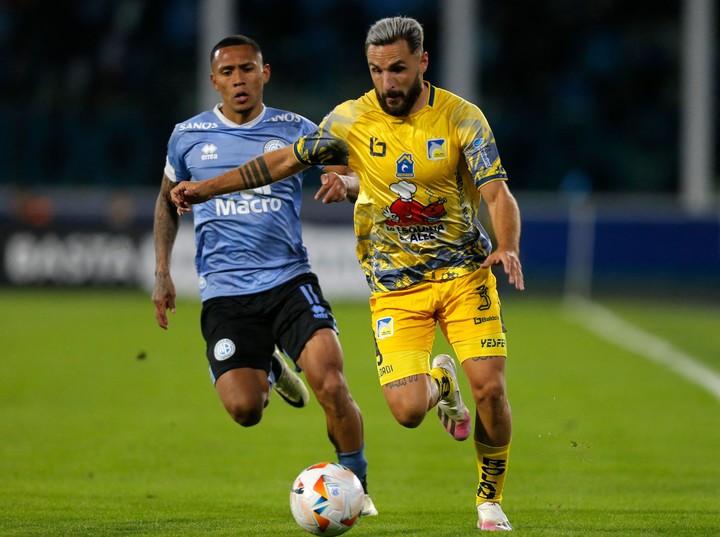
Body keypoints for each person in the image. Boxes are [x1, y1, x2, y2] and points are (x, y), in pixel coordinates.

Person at [171, 18, 523, 531]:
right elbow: (282, 162)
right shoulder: (349, 121)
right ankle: (440, 378)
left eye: (398, 69)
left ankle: (489, 500)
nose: (388, 82)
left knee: (489, 388)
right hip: (396, 288)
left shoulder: (462, 119)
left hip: (465, 274)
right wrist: (208, 188)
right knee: (406, 410)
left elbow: (497, 193)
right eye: (377, 70)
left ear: (422, 63)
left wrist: (508, 244)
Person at [152, 34, 377, 517]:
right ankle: (270, 365)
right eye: (228, 72)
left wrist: (345, 182)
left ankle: (356, 484)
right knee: (245, 411)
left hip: (289, 281)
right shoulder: (187, 135)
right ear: (213, 80)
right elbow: (167, 203)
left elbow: (354, 175)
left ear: (264, 73)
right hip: (226, 294)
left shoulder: (294, 128)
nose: (239, 79)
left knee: (331, 383)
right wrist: (161, 271)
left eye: (247, 69)